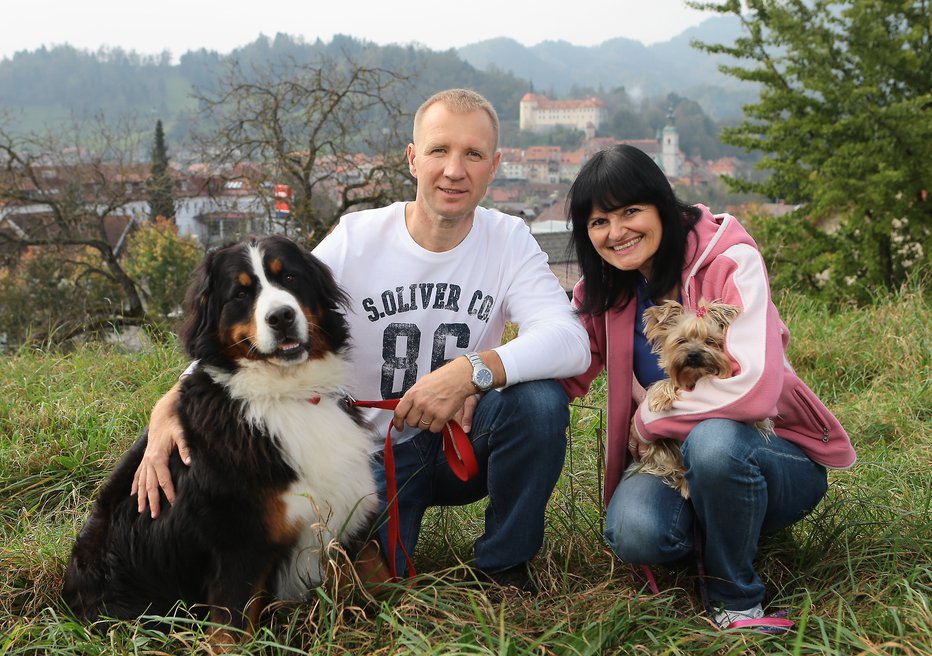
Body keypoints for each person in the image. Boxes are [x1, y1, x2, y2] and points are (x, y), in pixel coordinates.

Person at [133, 89, 591, 592]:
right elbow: (273, 317)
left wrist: (470, 373)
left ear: (495, 165)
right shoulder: (357, 238)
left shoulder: (509, 239)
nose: (454, 170)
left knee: (540, 404)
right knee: (371, 583)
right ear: (413, 159)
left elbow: (570, 340)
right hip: (367, 458)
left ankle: (505, 569)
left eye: (473, 154)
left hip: (464, 443)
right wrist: (168, 405)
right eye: (439, 150)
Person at [560, 145, 856, 629]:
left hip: (768, 455)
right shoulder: (603, 292)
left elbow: (756, 388)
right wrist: (479, 378)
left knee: (715, 442)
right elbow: (565, 366)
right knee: (635, 532)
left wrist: (649, 417)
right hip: (669, 463)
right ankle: (723, 522)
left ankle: (734, 597)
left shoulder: (730, 259)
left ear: (662, 205)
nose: (616, 232)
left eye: (631, 211)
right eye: (598, 221)